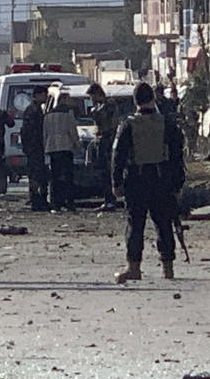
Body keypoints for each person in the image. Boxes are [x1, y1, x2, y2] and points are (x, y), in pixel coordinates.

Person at [112, 82, 185, 282]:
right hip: (161, 178)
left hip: (136, 178)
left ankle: (133, 267)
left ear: (135, 102)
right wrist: (178, 183)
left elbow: (118, 156)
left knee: (135, 224)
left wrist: (116, 182)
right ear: (153, 98)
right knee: (164, 223)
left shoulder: (128, 124)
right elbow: (177, 155)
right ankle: (168, 268)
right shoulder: (167, 123)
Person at [44, 89, 80, 211]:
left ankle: (56, 202)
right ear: (64, 100)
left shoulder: (48, 114)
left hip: (52, 148)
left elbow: (45, 133)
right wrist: (77, 146)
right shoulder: (68, 113)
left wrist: (46, 146)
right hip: (66, 147)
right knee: (68, 176)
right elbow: (72, 131)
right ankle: (69, 202)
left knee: (55, 176)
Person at [87, 83, 118, 211]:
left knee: (108, 172)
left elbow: (107, 120)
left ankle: (111, 200)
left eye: (93, 96)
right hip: (101, 140)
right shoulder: (99, 106)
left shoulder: (109, 104)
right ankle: (108, 199)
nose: (92, 99)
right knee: (102, 173)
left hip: (108, 140)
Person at [20, 86, 49, 211]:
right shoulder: (32, 110)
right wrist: (29, 147)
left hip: (37, 147)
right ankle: (36, 201)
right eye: (44, 95)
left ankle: (40, 200)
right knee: (35, 175)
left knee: (40, 175)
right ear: (37, 95)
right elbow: (27, 131)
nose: (46, 97)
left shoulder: (37, 109)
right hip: (34, 148)